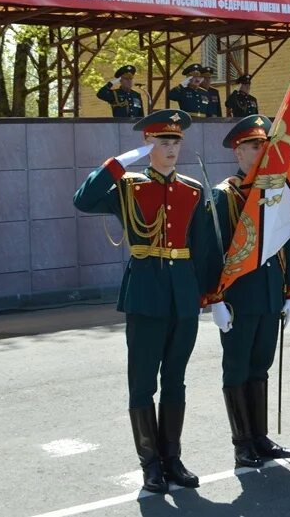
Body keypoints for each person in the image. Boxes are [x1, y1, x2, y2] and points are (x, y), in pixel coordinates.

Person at [72, 109, 216, 494]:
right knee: (142, 383)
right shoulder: (128, 185)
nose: (170, 148)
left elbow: (203, 248)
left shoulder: (192, 189)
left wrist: (211, 294)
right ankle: (150, 464)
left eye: (175, 141)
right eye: (162, 142)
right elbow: (83, 200)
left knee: (176, 380)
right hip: (146, 294)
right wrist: (115, 165)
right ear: (148, 146)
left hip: (183, 296)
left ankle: (173, 459)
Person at [201, 115, 290, 467]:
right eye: (253, 146)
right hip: (239, 299)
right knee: (238, 368)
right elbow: (211, 251)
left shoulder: (274, 190)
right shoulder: (224, 196)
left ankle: (260, 437)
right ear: (237, 152)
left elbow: (289, 243)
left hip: (271, 293)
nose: (260, 152)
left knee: (261, 367)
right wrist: (215, 300)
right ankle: (242, 442)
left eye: (263, 145)